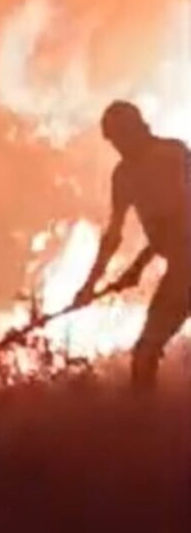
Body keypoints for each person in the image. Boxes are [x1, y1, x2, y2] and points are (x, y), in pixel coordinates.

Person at [73, 101, 191, 391]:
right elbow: (113, 236)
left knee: (146, 354)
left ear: (136, 128)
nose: (118, 146)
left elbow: (180, 222)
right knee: (145, 355)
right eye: (113, 141)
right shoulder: (124, 176)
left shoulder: (173, 154)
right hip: (180, 270)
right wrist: (89, 285)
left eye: (119, 137)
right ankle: (145, 426)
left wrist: (138, 266)